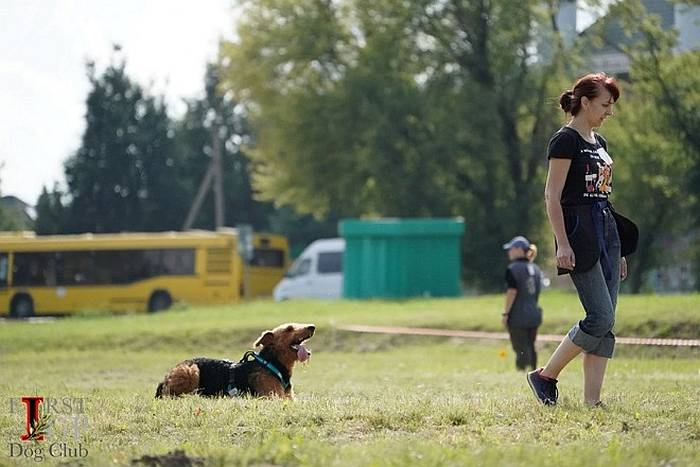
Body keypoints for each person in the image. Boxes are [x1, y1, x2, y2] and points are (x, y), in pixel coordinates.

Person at [527, 72, 638, 407]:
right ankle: (545, 376)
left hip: (607, 234)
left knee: (607, 324)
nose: (609, 112)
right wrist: (561, 243)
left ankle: (592, 402)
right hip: (580, 238)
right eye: (605, 105)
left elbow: (603, 196)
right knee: (600, 317)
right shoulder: (565, 141)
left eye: (611, 106)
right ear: (585, 102)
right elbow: (552, 196)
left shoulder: (600, 144)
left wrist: (619, 247)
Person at [502, 236, 543, 371]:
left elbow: (512, 292)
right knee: (531, 345)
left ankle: (522, 371)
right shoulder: (535, 268)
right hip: (534, 314)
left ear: (519, 249)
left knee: (520, 347)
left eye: (511, 249)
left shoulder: (512, 268)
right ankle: (533, 370)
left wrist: (506, 313)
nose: (509, 252)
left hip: (518, 315)